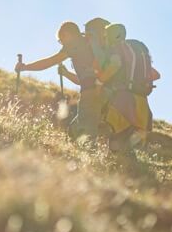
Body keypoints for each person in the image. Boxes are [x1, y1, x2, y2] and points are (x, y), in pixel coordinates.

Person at [16, 22, 103, 143]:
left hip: (90, 94)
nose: (62, 44)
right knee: (78, 130)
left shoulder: (74, 43)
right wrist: (66, 74)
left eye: (61, 40)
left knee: (84, 132)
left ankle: (91, 159)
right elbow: (83, 81)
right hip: (102, 91)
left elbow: (50, 62)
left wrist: (25, 67)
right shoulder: (87, 44)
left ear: (67, 34)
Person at [97, 23, 153, 152]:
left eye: (107, 36)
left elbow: (115, 65)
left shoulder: (116, 48)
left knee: (117, 143)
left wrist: (100, 82)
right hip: (142, 102)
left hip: (124, 101)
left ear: (113, 36)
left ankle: (117, 169)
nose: (105, 39)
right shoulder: (135, 53)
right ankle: (132, 170)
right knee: (130, 145)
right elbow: (155, 74)